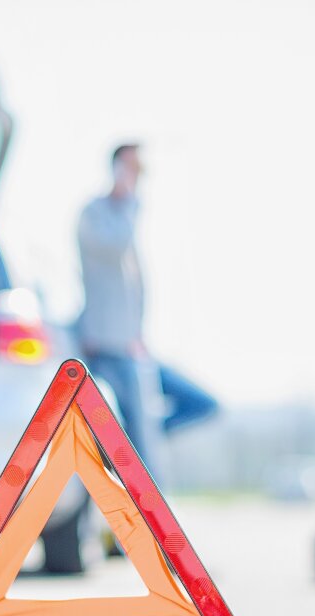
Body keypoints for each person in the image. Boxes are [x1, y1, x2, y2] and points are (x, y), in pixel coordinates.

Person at [77, 144, 218, 477]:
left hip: (135, 349)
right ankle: (149, 515)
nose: (135, 179)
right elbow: (115, 247)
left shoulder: (124, 216)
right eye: (130, 169)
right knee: (145, 458)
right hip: (108, 350)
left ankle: (128, 442)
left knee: (202, 403)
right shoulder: (96, 214)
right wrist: (128, 200)